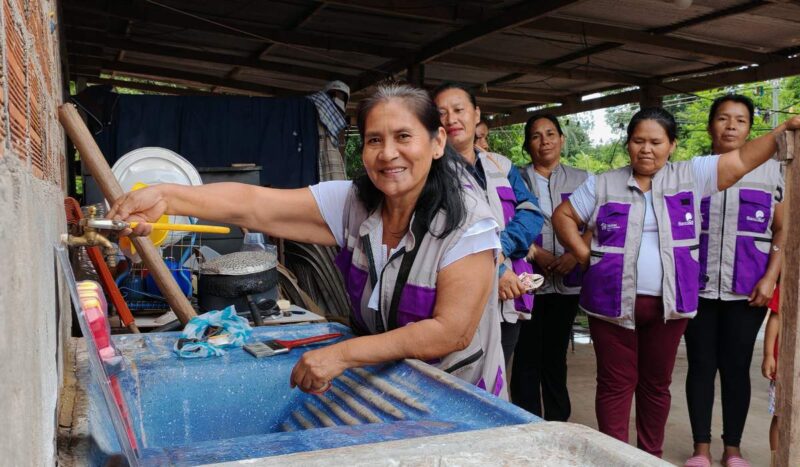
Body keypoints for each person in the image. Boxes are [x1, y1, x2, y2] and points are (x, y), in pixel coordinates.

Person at [109, 84, 509, 399]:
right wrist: (165, 196)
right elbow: (254, 205)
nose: (388, 154)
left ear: (437, 142)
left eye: (404, 136)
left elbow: (449, 332)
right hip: (395, 387)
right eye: (374, 140)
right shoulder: (355, 202)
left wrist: (342, 355)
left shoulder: (468, 223)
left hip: (462, 396)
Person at [552, 107, 800, 458]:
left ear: (672, 145)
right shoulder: (603, 182)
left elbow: (742, 159)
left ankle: (649, 457)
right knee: (614, 385)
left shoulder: (691, 175)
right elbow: (563, 216)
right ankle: (614, 459)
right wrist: (583, 255)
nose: (646, 149)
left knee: (656, 385)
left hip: (670, 305)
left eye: (656, 142)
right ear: (627, 145)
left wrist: (782, 130)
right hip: (610, 304)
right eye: (638, 141)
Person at [684, 94, 785, 467]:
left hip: (749, 290)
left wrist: (770, 278)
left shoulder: (774, 173)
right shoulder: (692, 169)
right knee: (700, 365)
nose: (731, 126)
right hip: (697, 289)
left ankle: (733, 449)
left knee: (736, 367)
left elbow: (783, 231)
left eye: (740, 120)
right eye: (723, 118)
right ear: (710, 125)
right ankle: (701, 449)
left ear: (749, 128)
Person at [432, 82, 543, 365]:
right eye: (442, 113)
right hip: (458, 298)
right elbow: (440, 235)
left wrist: (501, 252)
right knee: (459, 376)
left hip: (507, 296)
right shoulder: (430, 172)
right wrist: (497, 268)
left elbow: (531, 212)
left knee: (498, 375)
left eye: (459, 110)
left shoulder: (501, 166)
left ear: (477, 114)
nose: (451, 119)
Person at [512, 114, 589, 420]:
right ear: (527, 144)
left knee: (556, 356)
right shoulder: (514, 179)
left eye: (550, 134)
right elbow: (504, 221)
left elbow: (596, 222)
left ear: (562, 139)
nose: (544, 141)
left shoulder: (583, 179)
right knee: (527, 356)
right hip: (527, 280)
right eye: (536, 136)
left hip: (568, 281)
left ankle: (558, 421)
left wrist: (575, 252)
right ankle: (526, 422)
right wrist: (533, 252)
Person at [307, 80, 350, 181]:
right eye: (332, 95)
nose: (335, 98)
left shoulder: (340, 124)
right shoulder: (313, 112)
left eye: (340, 96)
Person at [762, 286, 780, 465]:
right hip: (787, 367)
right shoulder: (792, 283)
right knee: (781, 416)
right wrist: (769, 354)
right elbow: (775, 318)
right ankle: (777, 461)